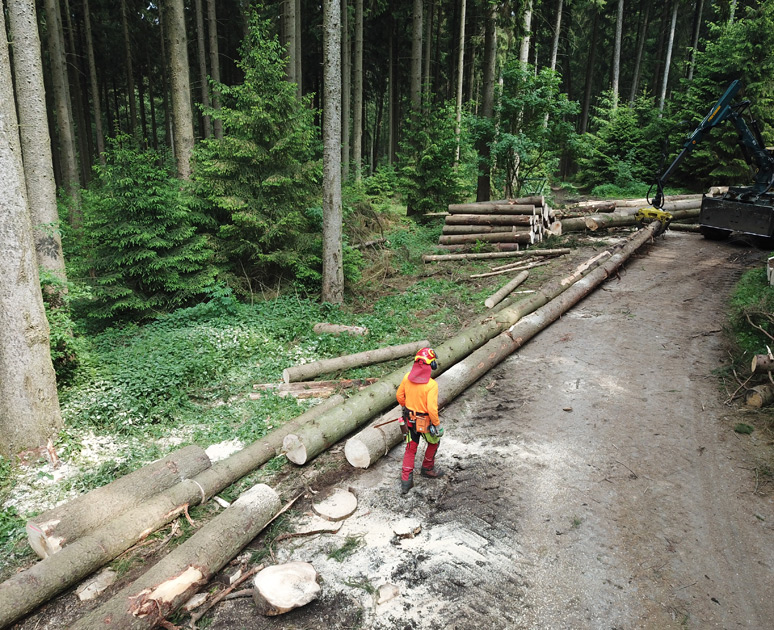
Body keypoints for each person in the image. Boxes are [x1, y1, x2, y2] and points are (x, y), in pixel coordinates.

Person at [397, 347, 445, 494]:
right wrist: (436, 424)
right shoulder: (431, 385)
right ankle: (427, 468)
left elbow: (399, 396)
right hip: (424, 422)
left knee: (410, 448)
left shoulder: (406, 377)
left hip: (409, 420)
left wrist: (408, 407)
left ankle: (406, 481)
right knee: (434, 441)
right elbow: (432, 409)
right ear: (432, 365)